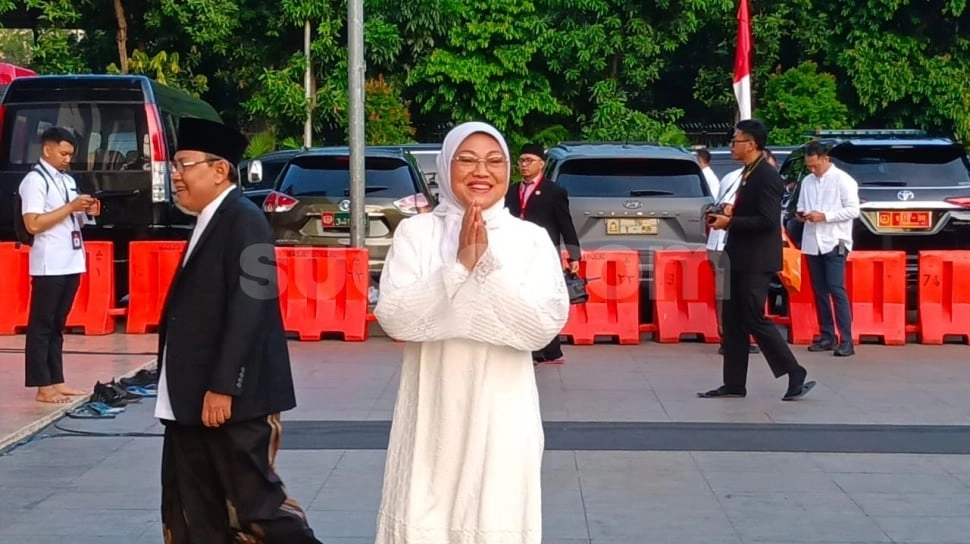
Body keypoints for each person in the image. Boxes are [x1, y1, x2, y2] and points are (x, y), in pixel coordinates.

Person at [373, 121, 570, 544]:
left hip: (503, 415)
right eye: (467, 159)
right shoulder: (416, 234)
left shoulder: (530, 240)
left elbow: (540, 327)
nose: (482, 171)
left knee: (495, 520)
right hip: (431, 414)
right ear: (445, 167)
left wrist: (485, 271)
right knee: (424, 521)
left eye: (494, 160)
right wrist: (459, 265)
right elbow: (395, 317)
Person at [154, 117, 320, 544]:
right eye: (174, 165)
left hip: (231, 400)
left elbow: (253, 305)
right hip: (189, 399)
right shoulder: (209, 219)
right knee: (193, 507)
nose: (176, 175)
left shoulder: (244, 219)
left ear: (220, 169)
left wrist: (225, 384)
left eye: (184, 165)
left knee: (256, 506)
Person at [700, 119, 815, 401]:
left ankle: (794, 370)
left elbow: (766, 221)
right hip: (737, 256)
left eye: (735, 141)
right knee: (733, 318)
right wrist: (725, 215)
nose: (731, 146)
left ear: (751, 144)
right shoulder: (748, 173)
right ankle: (734, 383)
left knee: (753, 316)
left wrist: (729, 222)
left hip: (756, 259)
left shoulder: (767, 176)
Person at [19, 127, 100, 403]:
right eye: (63, 153)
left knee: (58, 325)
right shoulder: (35, 180)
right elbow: (33, 223)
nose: (67, 159)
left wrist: (87, 211)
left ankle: (57, 380)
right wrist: (70, 207)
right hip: (48, 263)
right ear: (47, 150)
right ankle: (43, 385)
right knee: (42, 325)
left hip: (71, 259)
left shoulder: (67, 180)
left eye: (70, 155)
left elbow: (74, 220)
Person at [505, 142, 581, 364]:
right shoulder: (511, 191)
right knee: (521, 300)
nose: (524, 165)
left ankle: (545, 350)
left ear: (541, 164)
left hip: (544, 255)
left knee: (542, 300)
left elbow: (565, 223)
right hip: (517, 254)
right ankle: (538, 348)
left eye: (529, 161)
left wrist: (574, 254)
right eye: (521, 161)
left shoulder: (554, 192)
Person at [796, 141, 859, 356]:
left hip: (835, 240)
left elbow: (853, 210)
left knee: (836, 288)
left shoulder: (843, 180)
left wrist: (826, 216)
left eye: (815, 165)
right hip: (813, 241)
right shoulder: (807, 181)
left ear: (825, 159)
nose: (812, 170)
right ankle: (827, 334)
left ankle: (847, 339)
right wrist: (802, 214)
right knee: (820, 291)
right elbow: (801, 205)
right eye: (809, 166)